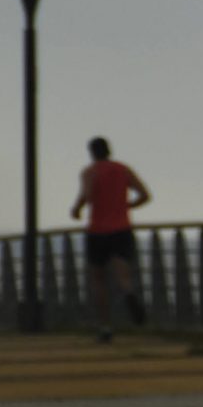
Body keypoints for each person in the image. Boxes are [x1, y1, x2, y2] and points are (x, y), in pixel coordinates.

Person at [70, 136, 152, 342]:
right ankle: (129, 294)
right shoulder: (123, 169)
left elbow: (87, 195)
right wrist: (127, 206)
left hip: (97, 230)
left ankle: (105, 327)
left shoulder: (90, 171)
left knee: (98, 280)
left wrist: (77, 208)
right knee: (123, 275)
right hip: (122, 229)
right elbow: (145, 195)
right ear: (109, 150)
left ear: (92, 152)